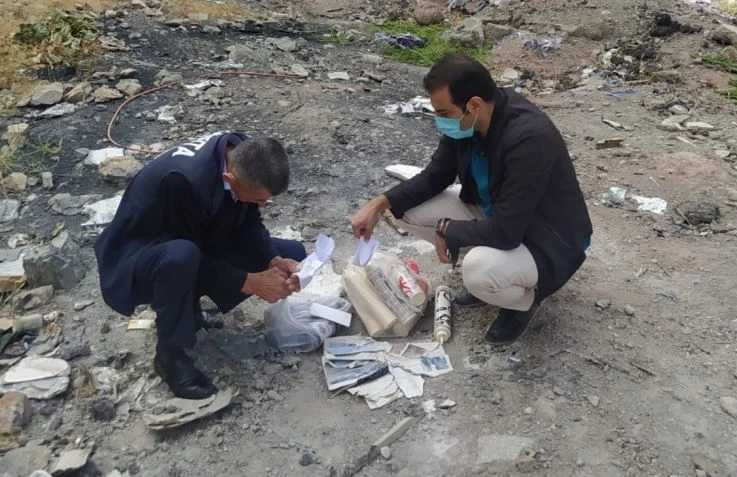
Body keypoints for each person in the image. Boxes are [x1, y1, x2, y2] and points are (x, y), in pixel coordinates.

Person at [350, 53, 592, 344]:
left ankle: (524, 301)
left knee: (477, 270)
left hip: (547, 237)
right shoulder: (469, 123)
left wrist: (449, 230)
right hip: (501, 213)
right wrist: (378, 204)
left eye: (443, 113)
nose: (439, 121)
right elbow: (435, 175)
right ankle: (499, 273)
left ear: (474, 104)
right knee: (407, 210)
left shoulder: (529, 137)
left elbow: (508, 230)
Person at [94, 131, 307, 399]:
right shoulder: (184, 181)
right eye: (259, 200)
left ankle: (190, 312)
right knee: (182, 257)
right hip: (136, 256)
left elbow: (248, 221)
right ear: (229, 179)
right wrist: (251, 282)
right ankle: (170, 355)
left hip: (193, 238)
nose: (263, 205)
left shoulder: (242, 153)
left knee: (291, 252)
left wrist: (272, 259)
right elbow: (192, 257)